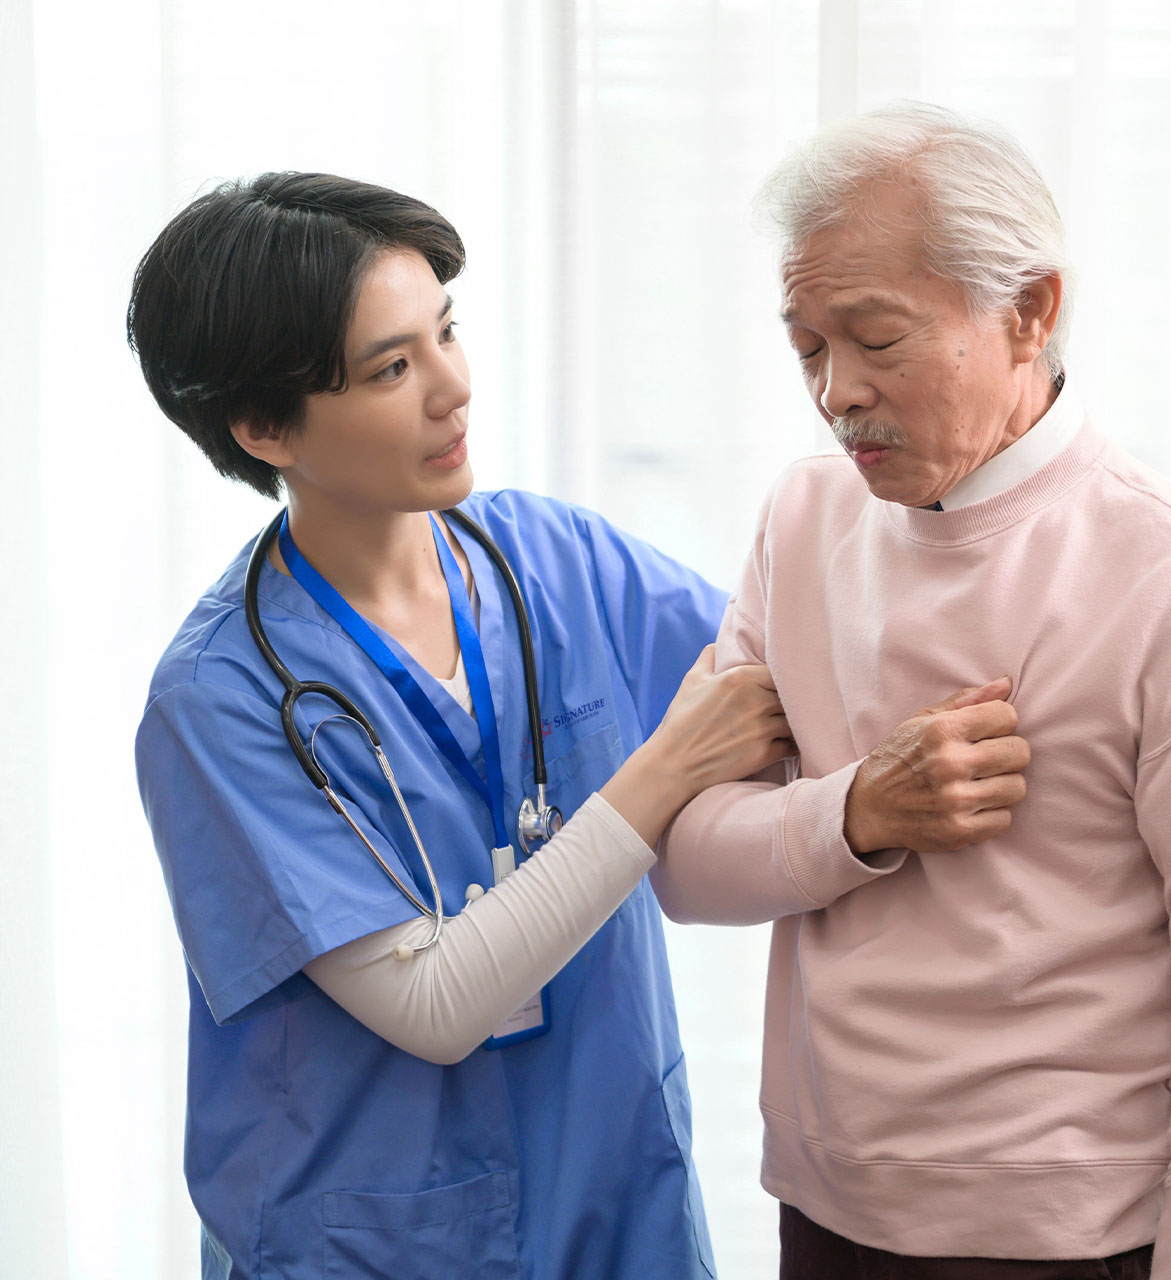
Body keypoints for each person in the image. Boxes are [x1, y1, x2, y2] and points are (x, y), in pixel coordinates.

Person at [650, 103, 1171, 1279]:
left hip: (1074, 1241)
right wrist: (857, 812)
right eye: (807, 345)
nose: (836, 391)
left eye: (876, 337)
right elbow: (687, 862)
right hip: (825, 1209)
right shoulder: (801, 521)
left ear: (1029, 311)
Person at [128, 173, 788, 1279]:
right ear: (263, 426)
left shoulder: (555, 561)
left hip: (616, 1210)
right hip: (373, 1244)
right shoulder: (223, 698)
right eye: (393, 366)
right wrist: (669, 763)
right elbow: (435, 1002)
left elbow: (789, 683)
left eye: (447, 333)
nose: (453, 390)